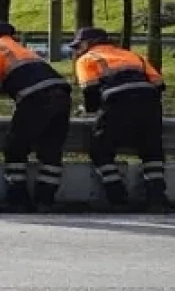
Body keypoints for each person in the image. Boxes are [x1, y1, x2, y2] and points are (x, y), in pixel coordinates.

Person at [0, 21, 73, 212]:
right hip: (61, 95)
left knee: (15, 147)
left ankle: (18, 199)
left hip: (36, 99)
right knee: (51, 150)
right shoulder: (22, 50)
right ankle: (45, 200)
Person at [69, 27, 168, 211]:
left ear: (89, 43)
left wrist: (90, 110)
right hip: (150, 103)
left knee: (101, 150)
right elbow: (160, 84)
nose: (76, 50)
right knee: (152, 151)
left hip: (117, 103)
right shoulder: (133, 55)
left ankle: (118, 197)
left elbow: (90, 92)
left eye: (78, 45)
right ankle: (157, 199)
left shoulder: (87, 59)